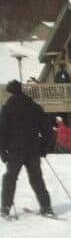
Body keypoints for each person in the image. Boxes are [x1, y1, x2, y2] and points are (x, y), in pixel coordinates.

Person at [0, 80, 55, 218]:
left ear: (10, 92)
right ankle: (46, 207)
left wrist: (2, 151)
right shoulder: (35, 107)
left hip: (15, 150)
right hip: (33, 150)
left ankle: (5, 208)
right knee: (37, 179)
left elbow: (2, 131)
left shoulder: (7, 108)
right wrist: (44, 148)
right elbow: (48, 130)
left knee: (10, 178)